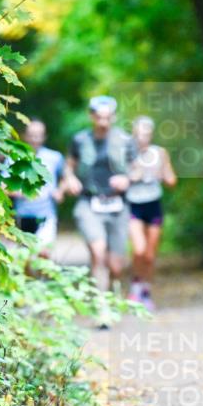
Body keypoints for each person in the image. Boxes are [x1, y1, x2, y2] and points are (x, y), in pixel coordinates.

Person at [61, 96, 137, 320]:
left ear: (113, 117)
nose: (103, 121)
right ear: (91, 116)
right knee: (97, 252)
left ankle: (113, 297)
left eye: (107, 117)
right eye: (99, 117)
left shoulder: (125, 140)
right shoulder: (80, 140)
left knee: (116, 265)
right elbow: (69, 166)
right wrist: (70, 179)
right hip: (89, 203)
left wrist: (127, 179)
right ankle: (101, 307)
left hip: (117, 205)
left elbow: (137, 169)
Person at [126, 115, 177, 311]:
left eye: (146, 133)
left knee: (149, 254)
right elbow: (119, 179)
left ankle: (145, 291)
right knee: (138, 250)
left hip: (154, 204)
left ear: (151, 135)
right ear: (134, 134)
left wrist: (162, 174)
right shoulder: (127, 154)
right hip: (134, 205)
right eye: (139, 133)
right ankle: (135, 287)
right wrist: (133, 175)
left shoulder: (160, 153)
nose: (142, 137)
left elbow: (171, 180)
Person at [8, 119, 64, 256]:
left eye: (39, 135)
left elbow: (65, 177)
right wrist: (19, 193)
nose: (35, 139)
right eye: (32, 135)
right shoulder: (13, 157)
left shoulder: (55, 157)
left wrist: (60, 191)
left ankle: (43, 278)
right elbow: (3, 185)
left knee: (44, 253)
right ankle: (30, 278)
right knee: (26, 257)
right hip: (22, 215)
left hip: (46, 214)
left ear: (45, 137)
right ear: (25, 135)